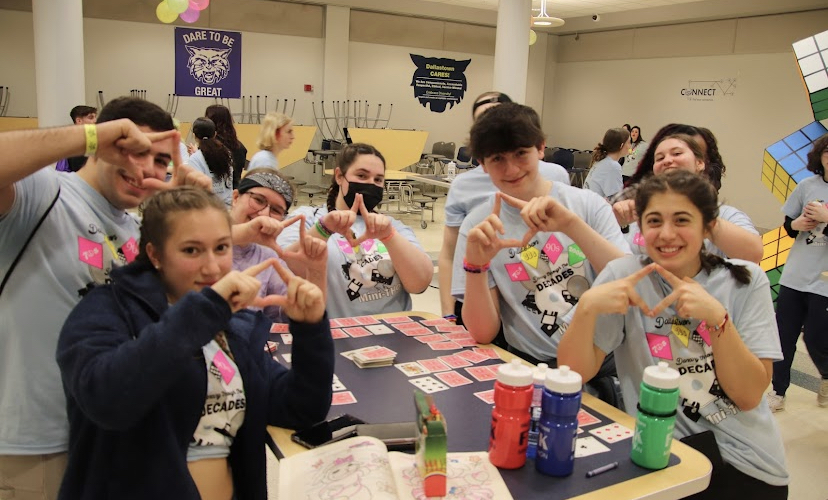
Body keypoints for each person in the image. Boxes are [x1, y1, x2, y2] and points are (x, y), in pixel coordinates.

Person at [56, 186, 334, 499]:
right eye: (191, 250)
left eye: (221, 248)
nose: (213, 267)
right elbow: (107, 399)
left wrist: (310, 329)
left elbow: (299, 408)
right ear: (155, 254)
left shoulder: (233, 326)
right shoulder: (105, 309)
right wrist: (210, 307)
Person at [0, 97, 212, 500]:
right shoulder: (47, 195)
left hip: (107, 440)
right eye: (136, 151)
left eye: (162, 161)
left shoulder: (135, 230)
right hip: (37, 447)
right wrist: (89, 135)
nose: (147, 169)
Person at [558, 170, 789, 498]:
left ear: (707, 226)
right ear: (641, 228)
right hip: (657, 455)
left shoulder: (744, 280)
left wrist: (717, 318)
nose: (666, 234)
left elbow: (749, 395)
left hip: (742, 459)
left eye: (682, 220)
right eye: (654, 221)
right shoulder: (624, 275)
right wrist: (585, 309)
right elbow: (575, 372)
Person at [453, 103, 629, 398]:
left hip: (609, 362)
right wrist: (476, 266)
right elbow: (482, 333)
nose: (511, 169)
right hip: (535, 370)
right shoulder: (477, 227)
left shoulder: (586, 205)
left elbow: (629, 281)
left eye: (521, 153)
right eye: (497, 158)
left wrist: (572, 226)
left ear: (540, 148)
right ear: (483, 164)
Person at [438, 91, 570, 326]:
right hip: (486, 288)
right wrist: (448, 312)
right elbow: (449, 254)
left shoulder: (555, 175)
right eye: (484, 121)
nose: (511, 170)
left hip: (548, 281)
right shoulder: (463, 187)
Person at [277, 143, 433, 318]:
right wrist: (324, 229)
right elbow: (282, 267)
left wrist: (390, 237)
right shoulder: (308, 218)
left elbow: (419, 284)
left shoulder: (392, 226)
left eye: (378, 180)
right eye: (361, 175)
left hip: (394, 332)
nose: (370, 184)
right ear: (339, 176)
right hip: (336, 335)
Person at [613, 125, 762, 263]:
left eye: (677, 153)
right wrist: (615, 221)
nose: (668, 160)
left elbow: (753, 254)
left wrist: (701, 218)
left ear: (699, 163)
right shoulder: (640, 211)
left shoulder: (725, 215)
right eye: (659, 158)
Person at [767, 133, 828, 412]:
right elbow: (789, 225)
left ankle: (826, 375)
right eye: (826, 151)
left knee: (816, 337)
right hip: (795, 276)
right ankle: (778, 391)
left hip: (824, 282)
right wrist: (799, 223)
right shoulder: (807, 185)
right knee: (783, 336)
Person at [229, 169, 328, 322]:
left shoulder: (268, 257)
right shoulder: (199, 226)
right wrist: (245, 233)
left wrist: (316, 270)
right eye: (258, 200)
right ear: (235, 197)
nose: (264, 214)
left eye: (275, 210)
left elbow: (293, 314)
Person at [188, 117, 234, 206]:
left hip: (208, 208)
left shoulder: (195, 159)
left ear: (194, 136)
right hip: (228, 206)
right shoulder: (227, 153)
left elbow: (197, 190)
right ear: (215, 134)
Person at [206, 104, 247, 189]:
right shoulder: (240, 147)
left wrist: (196, 155)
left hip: (216, 192)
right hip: (234, 191)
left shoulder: (210, 146)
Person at [583, 127, 629, 200]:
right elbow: (617, 199)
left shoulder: (602, 160)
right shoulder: (613, 166)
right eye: (629, 142)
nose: (630, 146)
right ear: (621, 145)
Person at [55, 105, 98, 173]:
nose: (95, 121)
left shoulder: (93, 139)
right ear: (79, 121)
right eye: (91, 117)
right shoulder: (71, 142)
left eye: (95, 117)